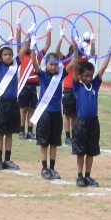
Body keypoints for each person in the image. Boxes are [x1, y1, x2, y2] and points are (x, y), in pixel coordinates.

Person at [70, 36, 111, 187]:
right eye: (86, 76)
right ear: (80, 76)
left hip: (93, 122)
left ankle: (88, 175)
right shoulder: (78, 86)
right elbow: (76, 67)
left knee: (91, 151)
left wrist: (110, 52)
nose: (88, 78)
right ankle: (79, 175)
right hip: (81, 122)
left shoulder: (94, 85)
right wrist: (76, 49)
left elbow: (101, 69)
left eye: (90, 76)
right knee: (80, 151)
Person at [0, 28, 30, 170]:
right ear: (0, 57)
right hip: (1, 103)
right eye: (5, 54)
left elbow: (23, 50)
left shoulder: (15, 64)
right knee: (0, 133)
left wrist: (29, 36)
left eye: (10, 54)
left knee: (10, 133)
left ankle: (8, 159)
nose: (8, 56)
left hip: (13, 104)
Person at [31, 34, 67, 180]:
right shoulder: (43, 75)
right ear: (46, 64)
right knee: (44, 142)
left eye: (55, 64)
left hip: (57, 113)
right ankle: (44, 168)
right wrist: (33, 48)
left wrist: (75, 49)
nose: (53, 66)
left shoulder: (60, 75)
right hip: (44, 113)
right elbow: (34, 63)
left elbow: (72, 64)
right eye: (50, 64)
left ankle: (52, 168)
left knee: (54, 142)